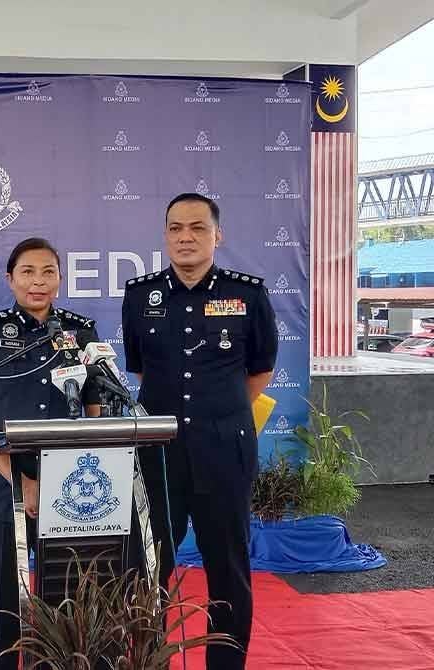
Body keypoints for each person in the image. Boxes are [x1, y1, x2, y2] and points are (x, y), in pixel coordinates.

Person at [121, 193, 278, 670]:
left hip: (224, 452)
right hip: (158, 454)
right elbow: (140, 370)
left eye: (197, 228)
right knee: (148, 570)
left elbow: (260, 369)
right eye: (175, 228)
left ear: (217, 235)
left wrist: (216, 413)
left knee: (227, 570)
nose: (185, 237)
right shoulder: (139, 295)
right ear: (165, 235)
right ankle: (149, 662)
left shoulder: (247, 295)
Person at [0, 237, 101, 670]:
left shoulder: (80, 331)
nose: (38, 282)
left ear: (60, 279)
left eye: (48, 272)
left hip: (69, 489)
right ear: (10, 279)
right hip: (0, 486)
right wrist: (21, 484)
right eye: (27, 272)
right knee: (4, 605)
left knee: (62, 605)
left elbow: (94, 412)